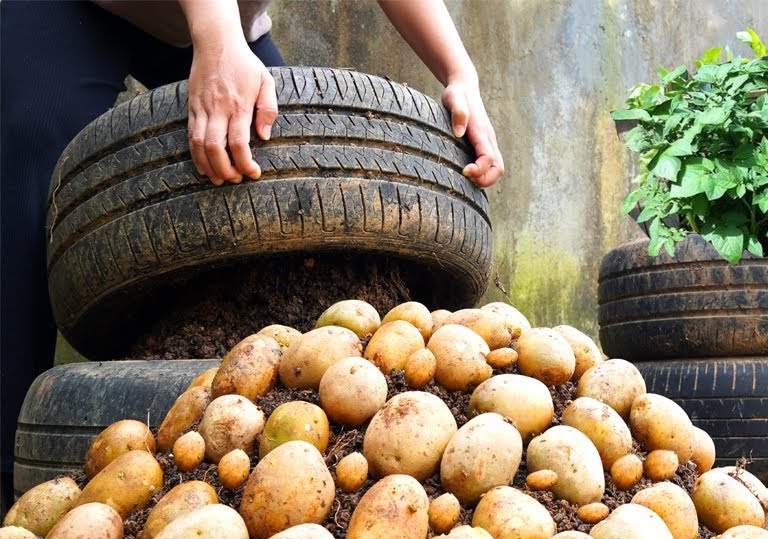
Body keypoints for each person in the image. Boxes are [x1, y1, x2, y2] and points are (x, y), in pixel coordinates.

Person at [0, 0, 504, 506]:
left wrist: (460, 72)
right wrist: (216, 43)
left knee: (293, 172)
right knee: (30, 142)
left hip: (233, 22)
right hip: (77, 8)